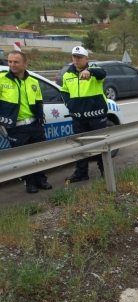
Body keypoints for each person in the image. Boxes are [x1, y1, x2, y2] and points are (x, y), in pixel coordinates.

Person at [0, 50, 52, 194]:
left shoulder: (33, 82)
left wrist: (41, 121)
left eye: (16, 62)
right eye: (10, 61)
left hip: (35, 125)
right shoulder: (2, 80)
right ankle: (29, 183)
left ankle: (41, 180)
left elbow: (39, 103)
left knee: (39, 155)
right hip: (16, 127)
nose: (12, 64)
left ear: (25, 64)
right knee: (23, 158)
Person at [61, 46, 108, 183]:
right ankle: (81, 173)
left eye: (79, 57)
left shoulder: (95, 70)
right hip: (78, 118)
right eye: (74, 57)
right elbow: (64, 91)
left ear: (87, 59)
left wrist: (89, 71)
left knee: (100, 145)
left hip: (96, 117)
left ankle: (105, 170)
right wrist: (69, 104)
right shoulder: (67, 75)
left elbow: (102, 74)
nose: (76, 59)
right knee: (80, 146)